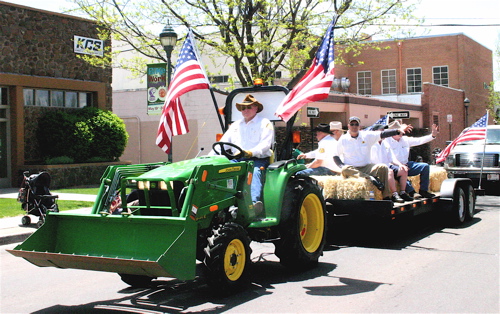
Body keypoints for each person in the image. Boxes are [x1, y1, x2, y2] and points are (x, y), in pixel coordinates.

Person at [210, 94, 274, 209]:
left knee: (253, 173)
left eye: (249, 107)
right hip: (238, 160)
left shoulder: (265, 123)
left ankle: (254, 205)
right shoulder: (235, 125)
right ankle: (224, 205)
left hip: (257, 160)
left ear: (256, 108)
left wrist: (251, 152)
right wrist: (209, 157)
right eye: (243, 108)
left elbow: (265, 145)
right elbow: (222, 144)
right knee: (223, 174)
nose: (245, 110)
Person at [334, 116, 410, 200]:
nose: (354, 126)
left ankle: (387, 196)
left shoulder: (367, 136)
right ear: (348, 126)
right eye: (352, 124)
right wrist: (342, 166)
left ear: (359, 126)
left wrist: (397, 131)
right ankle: (370, 178)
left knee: (383, 167)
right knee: (345, 169)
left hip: (366, 167)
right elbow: (335, 155)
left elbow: (382, 134)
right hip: (352, 169)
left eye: (356, 124)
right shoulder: (343, 139)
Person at [385, 120, 439, 199]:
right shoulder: (386, 141)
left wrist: (432, 135)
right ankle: (411, 192)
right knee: (403, 171)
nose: (401, 133)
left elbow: (419, 140)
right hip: (395, 166)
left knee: (425, 166)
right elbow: (379, 134)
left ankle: (423, 190)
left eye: (401, 131)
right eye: (398, 131)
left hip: (407, 164)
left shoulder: (405, 139)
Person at [370, 124, 412, 202]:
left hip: (388, 166)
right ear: (375, 132)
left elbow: (392, 158)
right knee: (390, 172)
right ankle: (394, 194)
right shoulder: (371, 144)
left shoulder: (385, 143)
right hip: (377, 168)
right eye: (381, 130)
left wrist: (400, 165)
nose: (383, 132)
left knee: (404, 170)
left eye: (383, 130)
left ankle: (403, 192)